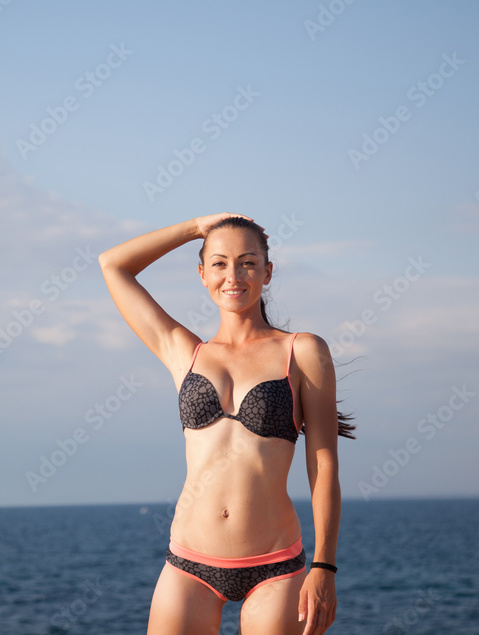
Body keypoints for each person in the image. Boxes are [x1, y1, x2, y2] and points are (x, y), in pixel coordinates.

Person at [98, 213, 355, 635]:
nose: (233, 275)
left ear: (267, 272)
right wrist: (197, 227)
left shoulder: (303, 351)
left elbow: (324, 465)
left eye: (248, 262)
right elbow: (114, 265)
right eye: (218, 263)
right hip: (188, 564)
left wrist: (324, 566)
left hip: (274, 566)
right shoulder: (185, 352)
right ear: (202, 273)